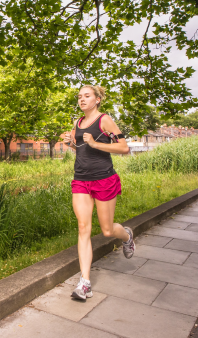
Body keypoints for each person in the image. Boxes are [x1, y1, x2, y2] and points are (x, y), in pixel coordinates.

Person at [63, 85, 134, 300]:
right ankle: (85, 283)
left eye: (87, 96)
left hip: (104, 179)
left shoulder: (104, 120)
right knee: (83, 227)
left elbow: (124, 148)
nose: (82, 100)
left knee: (107, 231)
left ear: (97, 99)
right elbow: (83, 149)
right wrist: (71, 144)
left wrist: (95, 143)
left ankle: (127, 235)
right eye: (79, 97)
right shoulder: (77, 123)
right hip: (81, 180)